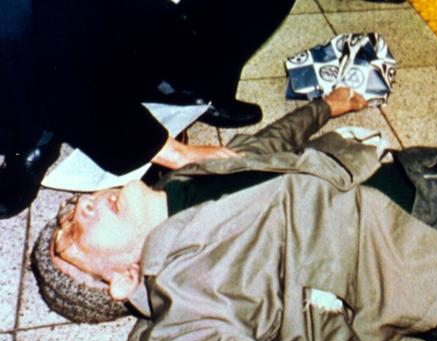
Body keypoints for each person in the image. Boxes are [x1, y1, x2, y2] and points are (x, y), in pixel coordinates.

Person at [32, 88, 437, 341]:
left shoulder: (185, 181)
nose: (79, 207)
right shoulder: (183, 313)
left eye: (67, 209)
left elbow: (262, 146)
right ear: (120, 282)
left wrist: (327, 105)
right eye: (70, 237)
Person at [0, 0, 295, 219]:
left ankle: (192, 83)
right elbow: (63, 46)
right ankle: (35, 133)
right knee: (36, 32)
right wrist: (174, 153)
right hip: (39, 33)